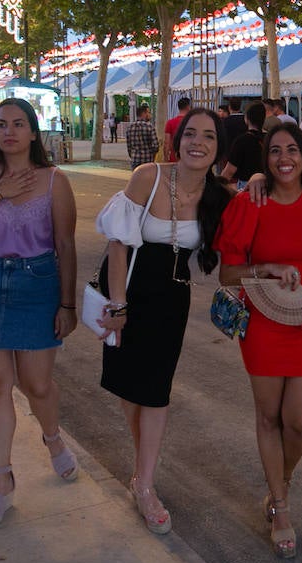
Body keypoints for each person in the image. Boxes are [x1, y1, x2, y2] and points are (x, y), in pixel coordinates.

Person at [216, 124, 302, 557]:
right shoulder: (249, 204)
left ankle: (284, 478)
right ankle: (280, 505)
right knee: (268, 418)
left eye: (292, 149)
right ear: (265, 159)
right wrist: (269, 267)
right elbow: (226, 274)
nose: (283, 158)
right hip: (262, 323)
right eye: (274, 151)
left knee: (298, 423)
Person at [92, 107, 232, 535]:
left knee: (156, 392)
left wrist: (260, 178)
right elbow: (118, 244)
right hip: (125, 289)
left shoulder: (219, 196)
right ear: (177, 140)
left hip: (171, 297)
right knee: (131, 389)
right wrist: (117, 305)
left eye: (208, 137)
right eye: (191, 134)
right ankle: (143, 467)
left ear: (217, 148)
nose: (198, 143)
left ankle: (145, 483)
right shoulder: (149, 177)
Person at [0, 98, 79, 529]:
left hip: (36, 286)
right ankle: (1, 480)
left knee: (37, 384)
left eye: (19, 124)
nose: (9, 131)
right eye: (1, 124)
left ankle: (53, 438)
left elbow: (65, 245)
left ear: (34, 132)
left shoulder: (55, 180)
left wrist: (67, 303)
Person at [220, 102, 266, 188]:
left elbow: (229, 171)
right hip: (266, 185)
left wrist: (219, 186)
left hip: (246, 186)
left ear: (246, 119)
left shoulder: (242, 140)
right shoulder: (269, 139)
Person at [163, 97, 191, 161]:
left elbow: (166, 142)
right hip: (189, 159)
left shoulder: (170, 122)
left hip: (174, 158)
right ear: (188, 107)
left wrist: (165, 158)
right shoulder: (192, 122)